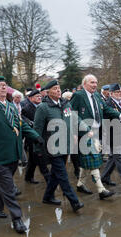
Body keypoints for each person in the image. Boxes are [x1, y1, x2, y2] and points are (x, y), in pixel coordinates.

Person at [0, 76, 44, 234]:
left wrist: (35, 136)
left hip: (13, 153)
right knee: (9, 187)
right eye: (0, 86)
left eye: (5, 85)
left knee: (1, 184)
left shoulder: (11, 106)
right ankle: (17, 218)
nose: (4, 88)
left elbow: (21, 124)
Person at [70, 74, 121, 200]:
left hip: (96, 132)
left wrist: (120, 115)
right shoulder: (78, 95)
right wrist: (84, 129)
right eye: (92, 82)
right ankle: (101, 189)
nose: (95, 85)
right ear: (84, 84)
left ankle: (80, 184)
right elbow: (73, 114)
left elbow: (106, 109)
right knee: (93, 160)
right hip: (85, 133)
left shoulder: (97, 96)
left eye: (96, 82)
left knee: (89, 160)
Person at [33, 80, 84, 212]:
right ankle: (74, 201)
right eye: (55, 88)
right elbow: (37, 129)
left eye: (59, 88)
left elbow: (73, 119)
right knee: (63, 175)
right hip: (52, 146)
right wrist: (37, 148)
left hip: (66, 144)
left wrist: (75, 133)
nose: (58, 90)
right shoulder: (43, 107)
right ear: (48, 92)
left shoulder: (66, 104)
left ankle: (48, 196)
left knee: (56, 174)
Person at [22, 90, 51, 184]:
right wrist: (30, 123)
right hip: (32, 137)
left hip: (43, 135)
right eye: (36, 96)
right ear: (30, 98)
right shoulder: (26, 108)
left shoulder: (43, 107)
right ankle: (48, 178)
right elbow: (22, 118)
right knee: (39, 157)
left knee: (33, 159)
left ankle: (28, 177)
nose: (39, 98)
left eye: (40, 96)